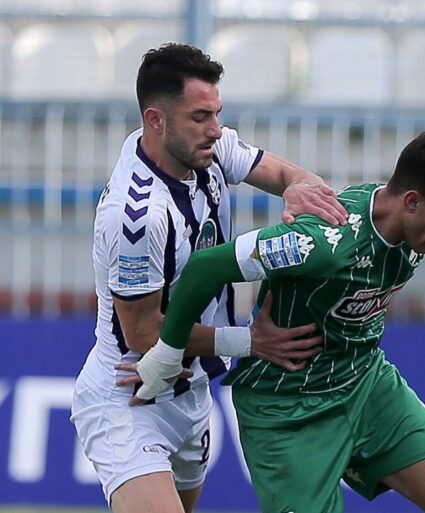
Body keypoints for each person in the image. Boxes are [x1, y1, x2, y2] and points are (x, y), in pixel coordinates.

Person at [124, 131, 425, 513]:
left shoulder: (408, 227)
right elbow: (205, 267)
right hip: (288, 408)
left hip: (366, 385)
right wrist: (167, 354)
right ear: (412, 201)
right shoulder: (321, 243)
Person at [70, 43, 348, 513]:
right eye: (200, 117)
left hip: (191, 390)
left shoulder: (206, 148)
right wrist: (249, 342)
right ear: (156, 120)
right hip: (130, 394)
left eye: (217, 113)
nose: (216, 129)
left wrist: (299, 185)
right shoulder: (135, 217)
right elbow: (143, 332)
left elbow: (281, 172)